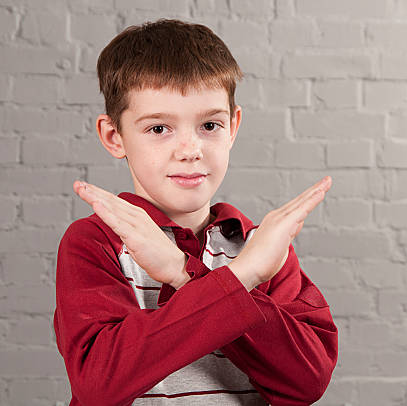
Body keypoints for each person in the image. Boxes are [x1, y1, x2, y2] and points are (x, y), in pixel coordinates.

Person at [52, 19, 338, 406]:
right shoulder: (94, 241)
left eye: (209, 124)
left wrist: (185, 275)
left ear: (233, 127)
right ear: (114, 136)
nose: (190, 150)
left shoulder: (260, 247)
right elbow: (99, 383)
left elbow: (306, 380)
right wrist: (241, 279)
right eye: (158, 129)